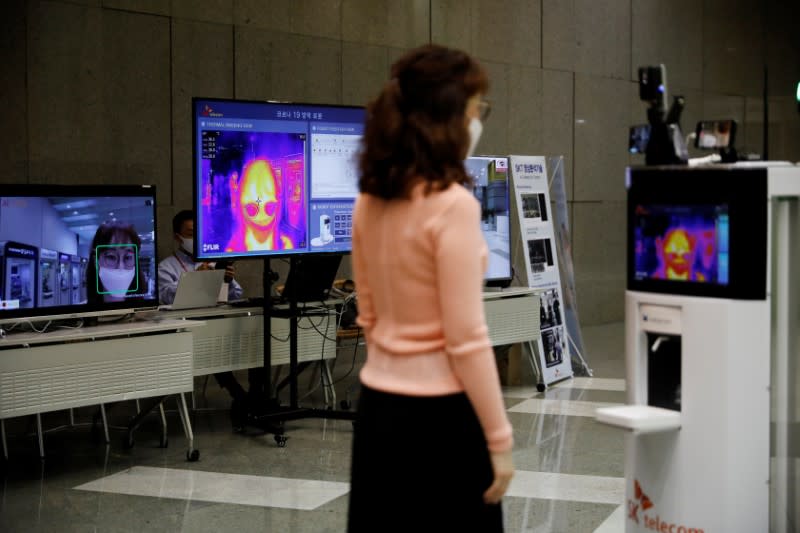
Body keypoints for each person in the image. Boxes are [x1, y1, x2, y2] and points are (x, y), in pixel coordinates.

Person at [348, 44, 514, 532]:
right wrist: (499, 439)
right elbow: (466, 340)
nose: (478, 120)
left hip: (378, 412)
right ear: (448, 117)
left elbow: (370, 315)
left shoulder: (368, 202)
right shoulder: (454, 206)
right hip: (443, 421)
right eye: (474, 109)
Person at [158, 210, 263, 427]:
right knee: (213, 345)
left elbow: (235, 296)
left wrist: (227, 281)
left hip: (219, 323)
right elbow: (165, 295)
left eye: (199, 232)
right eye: (189, 233)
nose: (195, 238)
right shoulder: (167, 267)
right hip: (187, 330)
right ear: (178, 237)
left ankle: (256, 395)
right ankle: (241, 398)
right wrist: (197, 278)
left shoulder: (215, 260)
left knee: (257, 337)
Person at [86, 222, 148, 305]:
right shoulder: (83, 314)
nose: (120, 267)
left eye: (127, 257)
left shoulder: (146, 310)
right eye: (111, 257)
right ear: (95, 261)